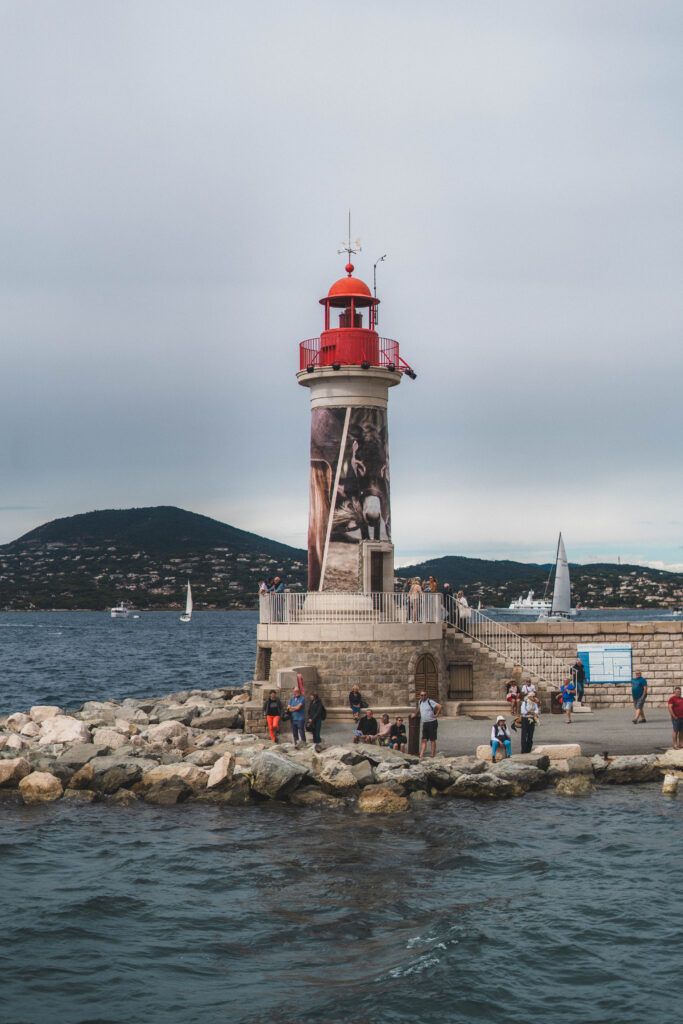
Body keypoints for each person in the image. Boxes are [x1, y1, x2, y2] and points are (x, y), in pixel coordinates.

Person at [417, 690, 442, 759]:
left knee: (432, 739)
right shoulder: (420, 702)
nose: (423, 696)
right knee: (424, 739)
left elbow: (439, 706)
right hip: (425, 723)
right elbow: (419, 709)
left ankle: (432, 755)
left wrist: (436, 714)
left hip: (432, 722)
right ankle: (421, 755)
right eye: (422, 695)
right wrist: (415, 714)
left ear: (427, 695)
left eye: (424, 695)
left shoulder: (430, 701)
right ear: (420, 696)